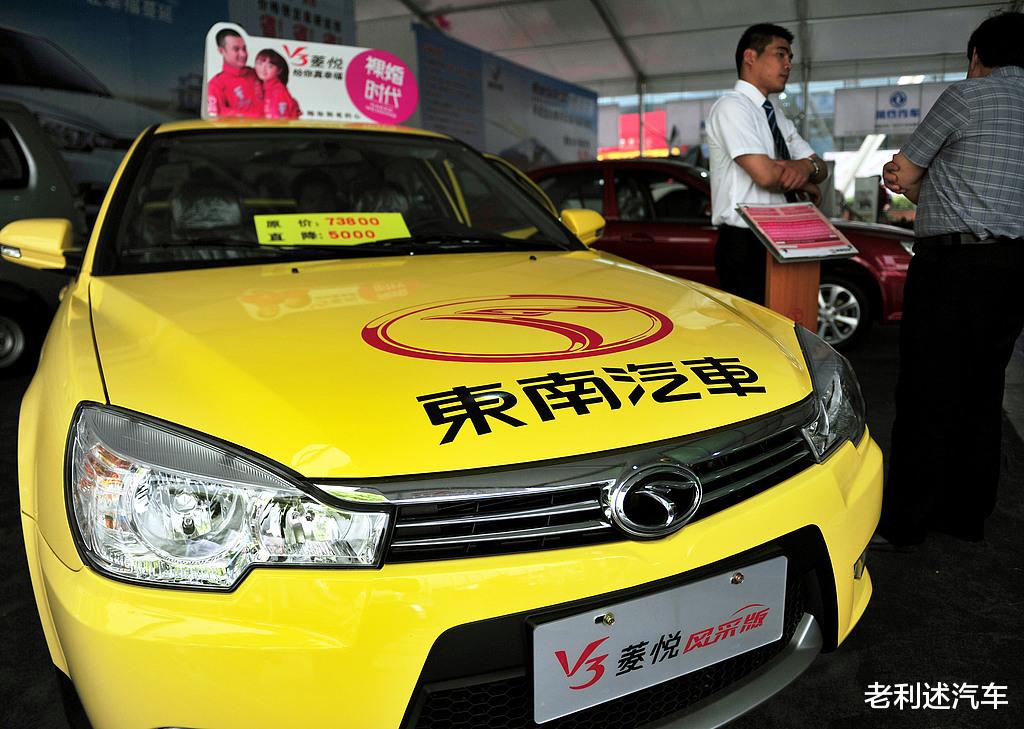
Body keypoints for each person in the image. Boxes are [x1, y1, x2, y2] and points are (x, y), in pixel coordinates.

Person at [876, 12, 1024, 548]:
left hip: (954, 268)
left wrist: (904, 173)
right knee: (984, 389)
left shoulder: (966, 95)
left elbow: (908, 172)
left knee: (926, 390)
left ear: (977, 56)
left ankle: (906, 524)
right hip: (1014, 268)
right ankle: (966, 516)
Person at [705, 23, 828, 304]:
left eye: (790, 58)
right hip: (745, 240)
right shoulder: (732, 107)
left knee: (786, 317)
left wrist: (805, 169)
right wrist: (803, 174)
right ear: (750, 57)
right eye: (780, 54)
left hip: (782, 235)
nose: (788, 65)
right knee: (755, 325)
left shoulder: (776, 115)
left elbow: (820, 167)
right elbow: (766, 175)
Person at [207, 28, 263, 118]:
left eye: (244, 48)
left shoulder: (258, 73)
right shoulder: (216, 84)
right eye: (236, 49)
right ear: (222, 51)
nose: (243, 54)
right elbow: (216, 116)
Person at [256, 48, 302, 120]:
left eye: (270, 66)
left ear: (279, 70)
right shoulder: (262, 87)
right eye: (260, 63)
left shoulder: (279, 92)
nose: (263, 69)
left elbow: (279, 120)